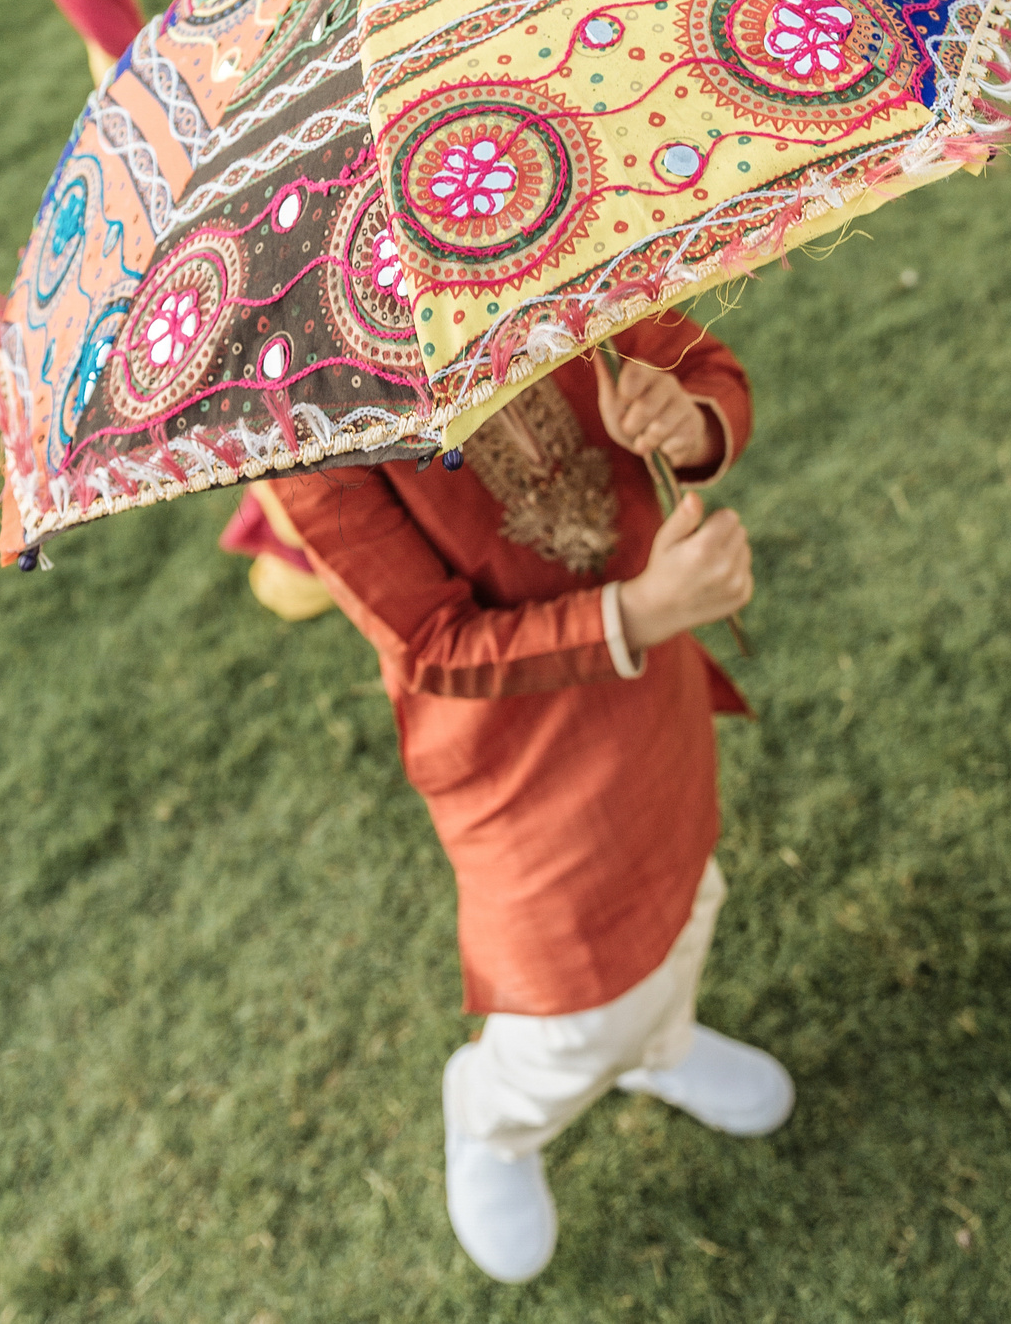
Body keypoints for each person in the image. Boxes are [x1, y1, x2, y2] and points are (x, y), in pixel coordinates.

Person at [240, 310, 786, 1284]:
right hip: (519, 764)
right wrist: (643, 609)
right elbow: (434, 646)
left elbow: (703, 365)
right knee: (570, 1006)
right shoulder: (304, 413)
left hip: (654, 698)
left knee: (691, 889)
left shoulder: (537, 251)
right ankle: (492, 1121)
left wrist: (687, 418)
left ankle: (659, 1045)